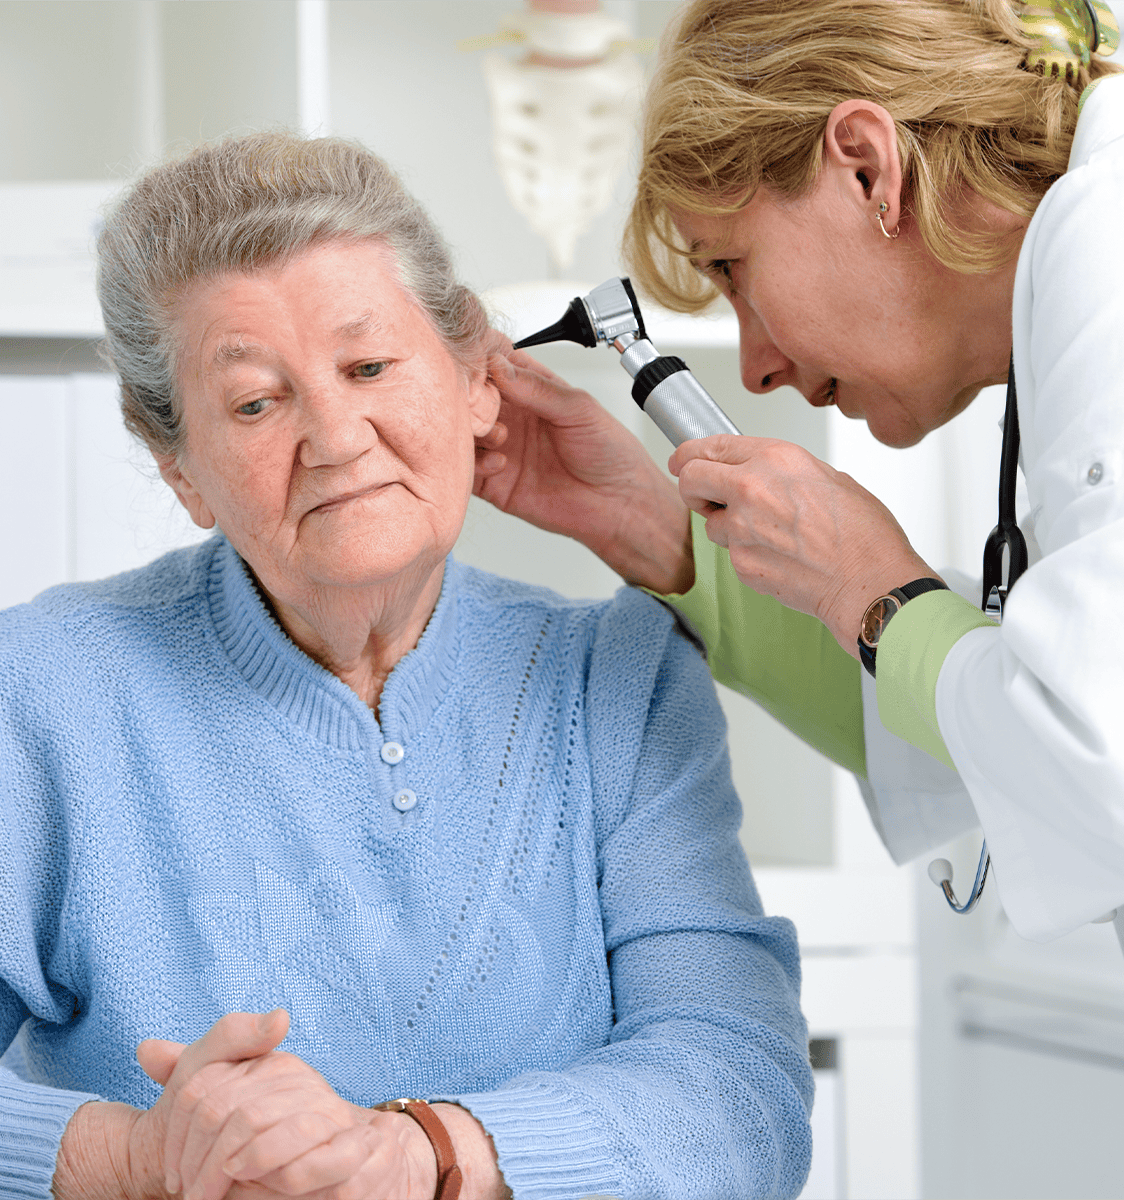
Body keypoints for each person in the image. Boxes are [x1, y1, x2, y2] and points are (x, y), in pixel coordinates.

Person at [0, 132, 814, 1200]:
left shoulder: (613, 676)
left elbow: (739, 1094)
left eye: (369, 365)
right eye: (254, 402)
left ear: (479, 379)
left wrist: (419, 1155)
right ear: (180, 467)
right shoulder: (43, 689)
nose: (335, 435)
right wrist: (138, 1158)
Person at [472, 0, 1124, 1193]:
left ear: (867, 166)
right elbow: (981, 721)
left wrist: (874, 582)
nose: (755, 363)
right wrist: (654, 531)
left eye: (734, 268)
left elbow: (1094, 765)